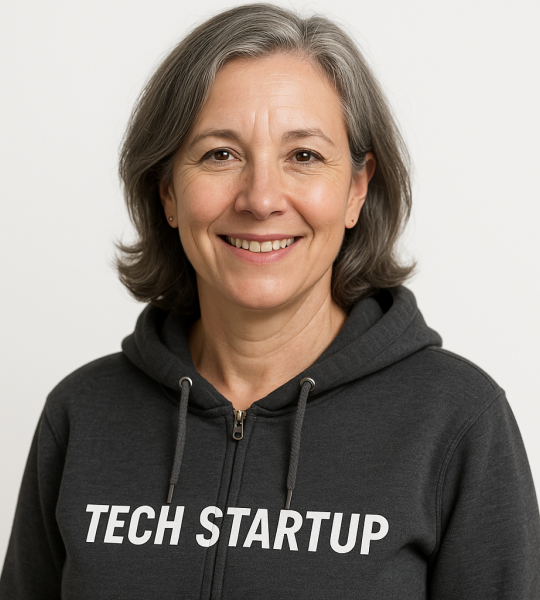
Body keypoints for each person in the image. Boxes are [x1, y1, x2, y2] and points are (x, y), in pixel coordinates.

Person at [1, 3, 539, 598]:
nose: (260, 199)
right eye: (220, 154)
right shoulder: (81, 414)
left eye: (303, 156)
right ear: (168, 192)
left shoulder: (458, 421)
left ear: (356, 189)